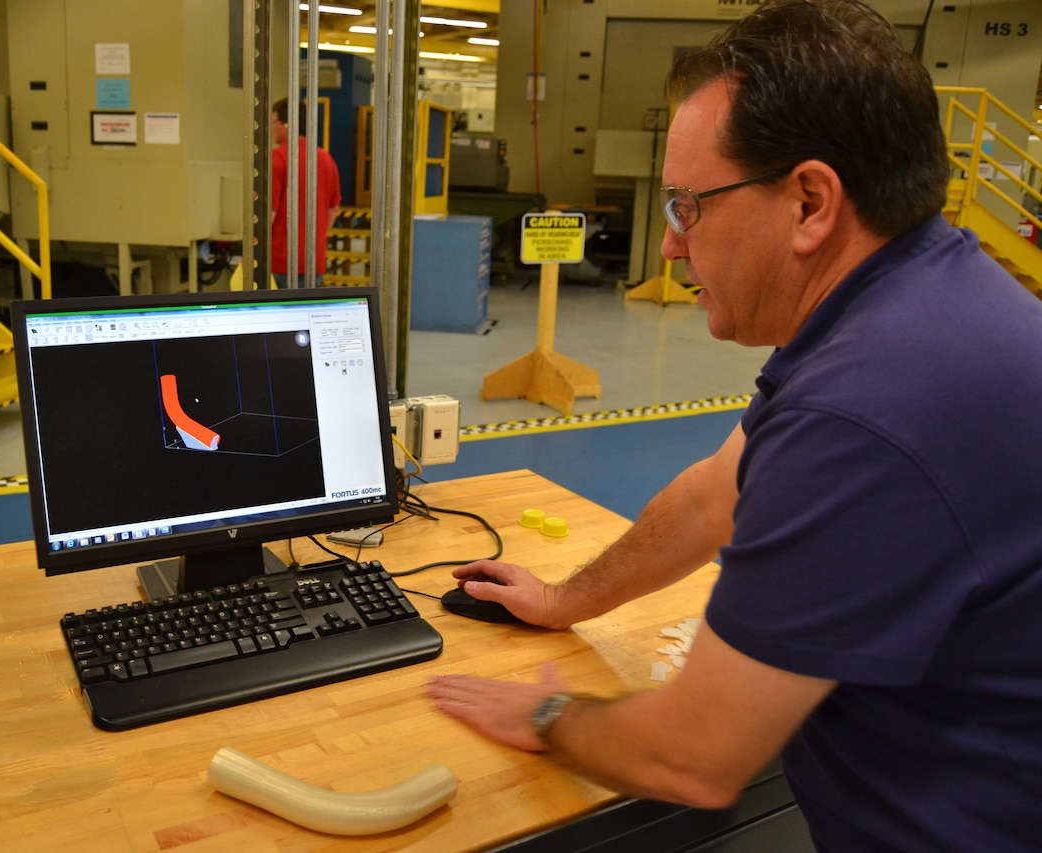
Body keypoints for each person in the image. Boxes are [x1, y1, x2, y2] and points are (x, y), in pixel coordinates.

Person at [425, 1, 1042, 849]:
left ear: (810, 203)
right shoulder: (922, 298)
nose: (672, 247)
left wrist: (547, 711)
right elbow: (716, 494)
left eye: (690, 205)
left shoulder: (865, 406)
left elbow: (694, 756)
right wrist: (562, 599)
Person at [270, 97, 341, 288]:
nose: (271, 128)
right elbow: (333, 208)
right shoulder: (326, 159)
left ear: (285, 125)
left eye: (273, 122)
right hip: (313, 263)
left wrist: (249, 250)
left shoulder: (278, 158)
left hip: (279, 264)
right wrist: (314, 240)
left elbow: (269, 213)